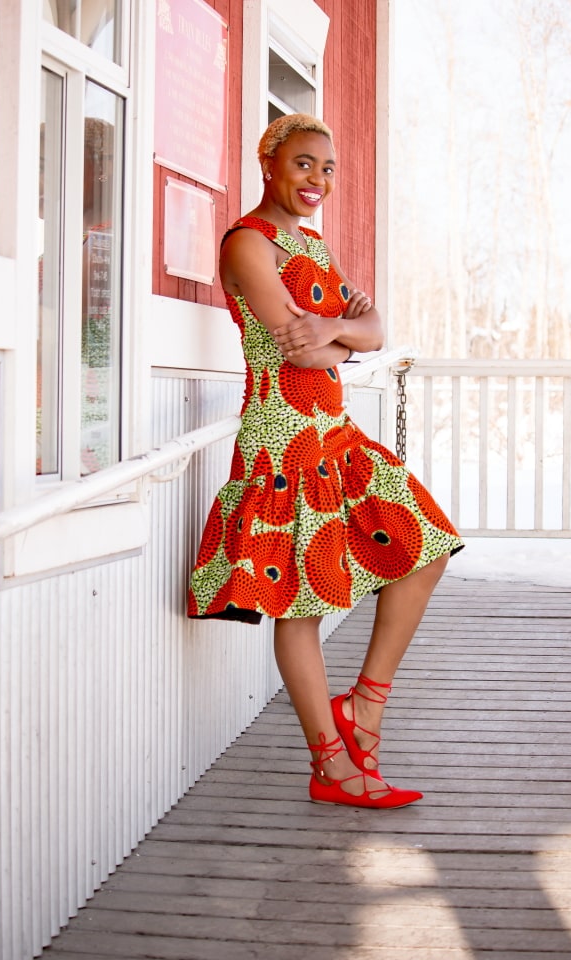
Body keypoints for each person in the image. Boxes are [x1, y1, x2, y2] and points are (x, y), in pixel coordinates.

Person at [188, 113, 464, 808]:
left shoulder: (308, 244)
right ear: (270, 165)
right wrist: (343, 337)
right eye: (305, 164)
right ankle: (333, 766)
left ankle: (364, 708)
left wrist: (339, 329)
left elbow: (373, 329)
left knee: (424, 547)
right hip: (283, 440)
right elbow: (298, 349)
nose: (319, 179)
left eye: (329, 168)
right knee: (301, 606)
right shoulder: (248, 244)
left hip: (334, 434)